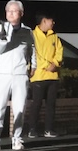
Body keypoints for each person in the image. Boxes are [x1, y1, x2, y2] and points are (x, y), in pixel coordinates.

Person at [0, 0, 36, 151]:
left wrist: (33, 66)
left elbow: (32, 50)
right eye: (9, 11)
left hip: (20, 74)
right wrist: (5, 38)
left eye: (14, 11)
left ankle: (17, 139)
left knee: (19, 108)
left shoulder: (27, 31)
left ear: (21, 13)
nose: (11, 14)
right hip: (3, 74)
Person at [26, 11, 64, 140]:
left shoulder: (54, 36)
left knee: (51, 104)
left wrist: (55, 63)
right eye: (51, 20)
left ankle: (49, 129)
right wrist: (46, 65)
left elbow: (59, 51)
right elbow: (31, 53)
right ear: (44, 21)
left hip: (53, 76)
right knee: (36, 103)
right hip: (38, 76)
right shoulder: (32, 35)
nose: (53, 23)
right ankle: (32, 129)